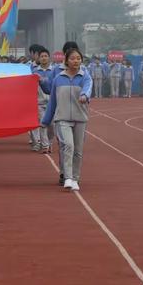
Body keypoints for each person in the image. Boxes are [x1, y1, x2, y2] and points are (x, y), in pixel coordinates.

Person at [41, 48, 92, 191]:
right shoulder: (58, 79)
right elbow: (52, 102)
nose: (76, 61)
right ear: (66, 61)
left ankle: (75, 178)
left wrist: (84, 96)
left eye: (78, 58)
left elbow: (88, 88)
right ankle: (68, 178)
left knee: (78, 151)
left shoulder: (85, 77)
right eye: (73, 58)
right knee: (68, 145)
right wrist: (45, 121)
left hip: (80, 118)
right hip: (62, 118)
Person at [30, 48, 53, 153]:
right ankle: (45, 145)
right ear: (38, 58)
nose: (44, 58)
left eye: (45, 56)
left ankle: (49, 142)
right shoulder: (35, 72)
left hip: (52, 102)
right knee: (43, 123)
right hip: (39, 101)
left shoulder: (54, 71)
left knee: (52, 125)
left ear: (49, 58)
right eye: (42, 56)